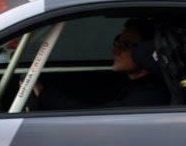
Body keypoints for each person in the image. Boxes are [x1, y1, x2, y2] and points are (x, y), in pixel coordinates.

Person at [33, 17, 171, 111]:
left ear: (148, 51)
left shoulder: (149, 98)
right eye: (118, 42)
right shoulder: (133, 84)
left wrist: (43, 94)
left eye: (126, 46)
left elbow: (92, 116)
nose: (115, 50)